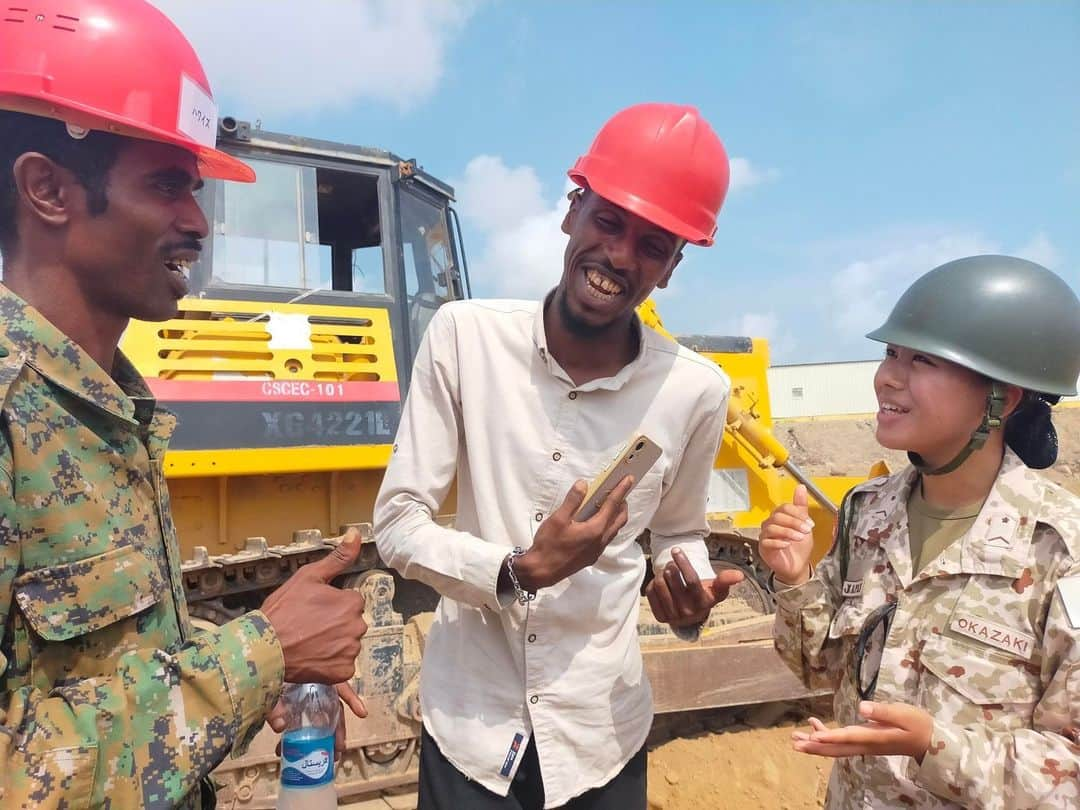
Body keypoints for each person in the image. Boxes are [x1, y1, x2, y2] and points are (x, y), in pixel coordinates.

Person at [0, 2, 368, 807]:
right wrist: (257, 658)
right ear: (48, 190)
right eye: (167, 185)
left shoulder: (109, 408)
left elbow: (105, 668)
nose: (199, 223)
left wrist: (237, 667)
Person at [374, 102, 744, 810]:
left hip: (599, 736)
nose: (620, 257)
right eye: (609, 222)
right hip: (472, 733)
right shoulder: (464, 339)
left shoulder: (696, 391)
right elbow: (398, 520)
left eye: (653, 245)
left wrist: (686, 589)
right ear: (573, 211)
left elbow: (677, 533)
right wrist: (516, 570)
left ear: (671, 267)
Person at [760, 255, 1080, 808]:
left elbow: (1069, 769)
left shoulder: (1060, 548)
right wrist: (795, 582)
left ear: (1004, 398)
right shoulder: (867, 512)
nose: (888, 376)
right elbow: (823, 670)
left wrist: (936, 746)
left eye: (923, 360)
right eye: (890, 353)